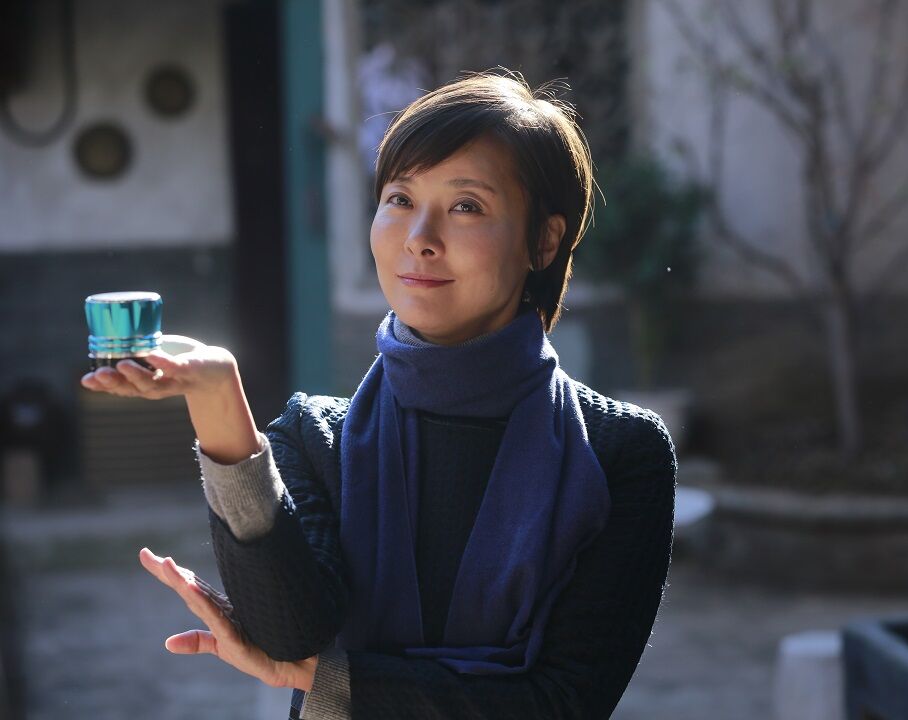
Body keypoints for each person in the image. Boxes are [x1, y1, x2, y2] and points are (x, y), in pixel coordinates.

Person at [80, 70, 676, 719]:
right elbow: (289, 635)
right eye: (399, 198)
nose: (419, 236)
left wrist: (337, 681)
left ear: (544, 240)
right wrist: (220, 408)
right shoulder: (313, 439)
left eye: (466, 206)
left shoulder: (620, 453)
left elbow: (564, 703)